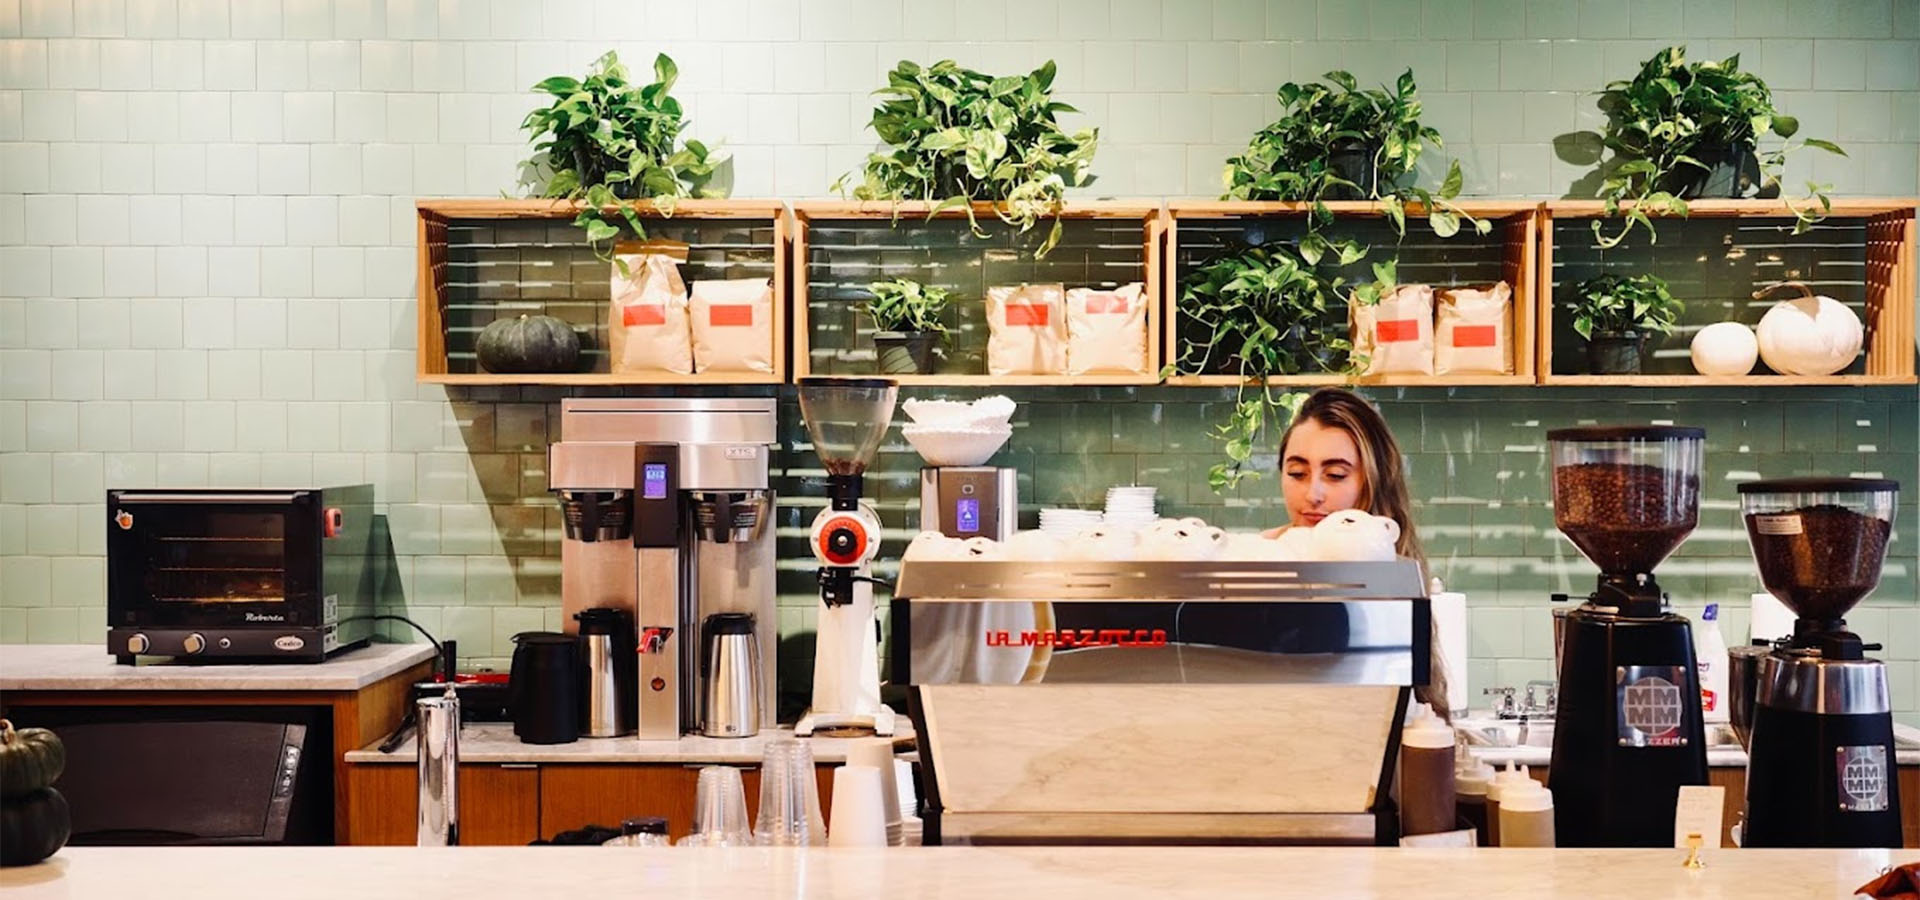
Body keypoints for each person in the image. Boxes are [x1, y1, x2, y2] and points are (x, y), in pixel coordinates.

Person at [1259, 387, 1450, 719]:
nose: (1313, 493)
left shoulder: (1393, 579)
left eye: (1335, 475)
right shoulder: (1260, 557)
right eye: (1297, 473)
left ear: (1372, 482)